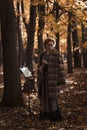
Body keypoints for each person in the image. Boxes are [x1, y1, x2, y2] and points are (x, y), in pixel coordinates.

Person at [37, 37, 66, 121]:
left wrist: (47, 63)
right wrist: (41, 68)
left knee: (52, 98)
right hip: (44, 78)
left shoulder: (56, 54)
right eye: (48, 45)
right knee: (44, 96)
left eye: (51, 45)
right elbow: (39, 67)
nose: (50, 46)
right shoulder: (42, 55)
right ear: (45, 46)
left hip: (53, 79)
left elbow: (60, 67)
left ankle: (54, 116)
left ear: (53, 45)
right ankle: (45, 114)